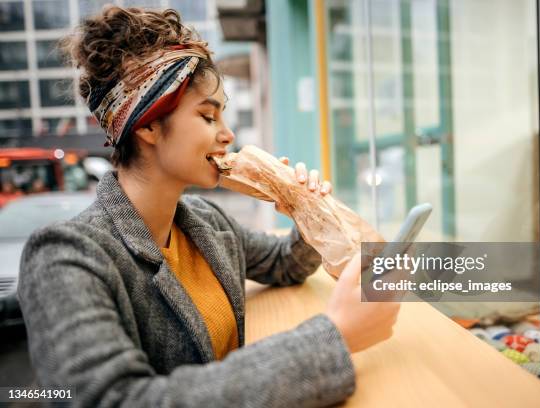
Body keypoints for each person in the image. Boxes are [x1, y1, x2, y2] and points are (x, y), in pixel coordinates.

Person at [18, 6, 400, 407]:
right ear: (148, 124)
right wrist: (334, 337)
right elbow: (116, 399)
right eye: (207, 116)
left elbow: (283, 263)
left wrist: (304, 209)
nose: (227, 134)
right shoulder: (66, 256)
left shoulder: (205, 221)